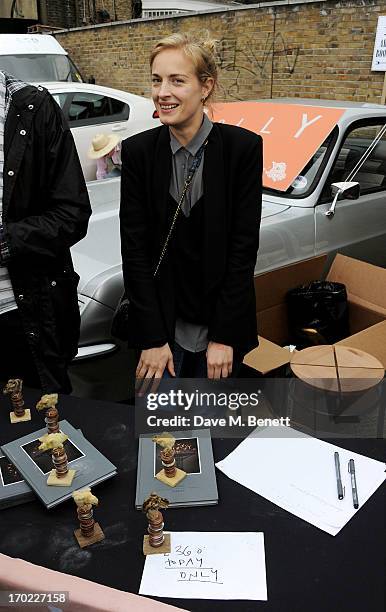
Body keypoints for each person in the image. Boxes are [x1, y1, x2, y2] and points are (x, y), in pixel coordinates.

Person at [120, 33, 262, 381]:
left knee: (212, 429)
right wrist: (152, 337)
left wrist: (224, 335)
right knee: (161, 431)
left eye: (177, 80)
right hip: (160, 336)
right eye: (156, 80)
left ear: (206, 86)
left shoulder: (241, 149)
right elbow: (134, 251)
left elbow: (243, 250)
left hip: (219, 337)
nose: (162, 92)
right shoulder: (138, 152)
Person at [0, 71, 91, 393]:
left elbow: (73, 213)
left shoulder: (32, 107)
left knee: (41, 432)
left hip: (21, 320)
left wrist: (6, 241)